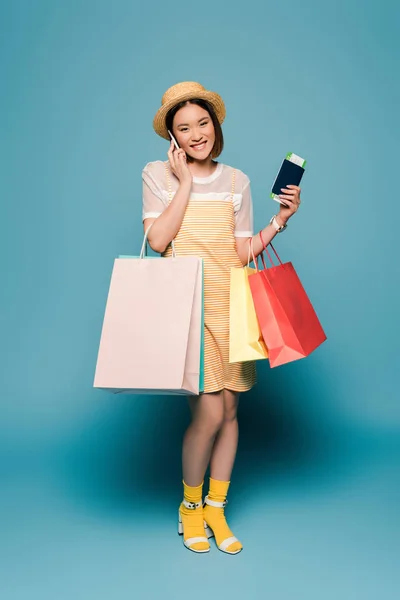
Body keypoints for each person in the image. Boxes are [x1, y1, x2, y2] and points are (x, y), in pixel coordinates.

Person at [142, 81, 301, 555]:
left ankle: (216, 506)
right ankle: (189, 508)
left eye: (202, 123)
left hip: (233, 304)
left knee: (231, 411)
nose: (196, 134)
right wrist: (186, 182)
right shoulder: (156, 173)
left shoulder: (238, 181)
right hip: (187, 305)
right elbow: (157, 242)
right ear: (171, 135)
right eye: (183, 127)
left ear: (216, 124)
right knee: (209, 412)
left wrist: (280, 221)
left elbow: (241, 252)